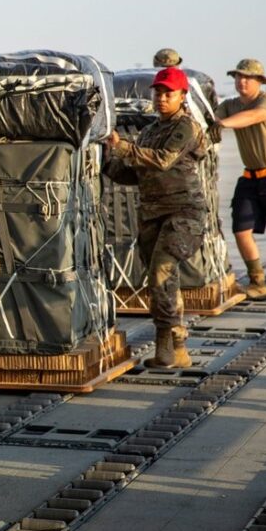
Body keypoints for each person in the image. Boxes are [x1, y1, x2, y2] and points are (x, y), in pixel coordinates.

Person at [104, 67, 208, 368]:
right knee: (160, 280)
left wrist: (123, 146)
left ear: (182, 96)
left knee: (162, 271)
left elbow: (163, 161)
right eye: (158, 92)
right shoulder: (150, 131)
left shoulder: (186, 127)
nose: (161, 98)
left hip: (184, 213)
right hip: (151, 215)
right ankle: (176, 345)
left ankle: (168, 344)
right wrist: (106, 159)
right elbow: (133, 174)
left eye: (168, 93)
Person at [209, 58, 266, 300]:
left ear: (259, 82)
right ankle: (258, 281)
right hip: (250, 176)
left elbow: (253, 116)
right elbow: (211, 118)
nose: (241, 81)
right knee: (241, 229)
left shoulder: (264, 101)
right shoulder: (230, 105)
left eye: (247, 77)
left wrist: (221, 124)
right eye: (238, 77)